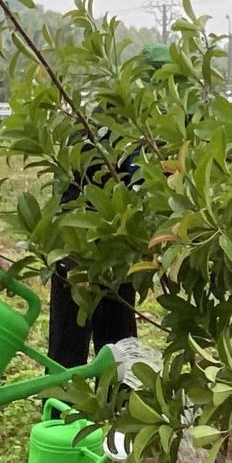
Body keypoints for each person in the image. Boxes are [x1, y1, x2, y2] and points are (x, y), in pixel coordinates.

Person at [45, 44, 168, 368]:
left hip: (121, 248)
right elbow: (76, 191)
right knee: (69, 342)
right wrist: (71, 261)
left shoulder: (153, 126)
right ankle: (58, 413)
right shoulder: (105, 127)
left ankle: (115, 411)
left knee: (118, 343)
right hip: (81, 244)